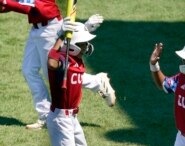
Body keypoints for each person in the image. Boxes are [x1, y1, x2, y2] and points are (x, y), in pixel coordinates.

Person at [0, 0, 116, 129]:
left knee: (54, 74)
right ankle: (45, 116)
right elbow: (18, 2)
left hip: (50, 29)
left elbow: (29, 6)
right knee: (28, 71)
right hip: (36, 30)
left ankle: (97, 82)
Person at [46, 20, 98, 146]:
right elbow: (51, 63)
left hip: (72, 118)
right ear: (73, 46)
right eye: (83, 44)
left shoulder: (77, 60)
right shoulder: (62, 59)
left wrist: (84, 27)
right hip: (60, 119)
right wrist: (61, 36)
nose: (86, 47)